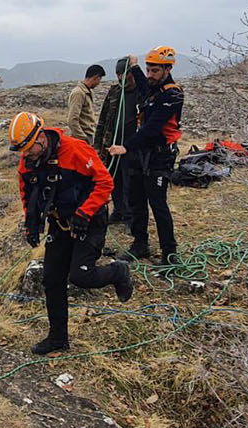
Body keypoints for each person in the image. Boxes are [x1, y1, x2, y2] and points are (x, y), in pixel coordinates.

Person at [11, 111, 133, 355]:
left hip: (89, 220)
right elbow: (28, 191)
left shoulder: (76, 150)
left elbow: (105, 183)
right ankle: (58, 338)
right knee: (52, 279)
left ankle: (118, 271)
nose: (26, 154)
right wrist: (31, 222)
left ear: (41, 138)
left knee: (81, 276)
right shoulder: (29, 162)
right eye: (22, 150)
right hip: (60, 222)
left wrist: (84, 213)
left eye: (29, 148)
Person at [108, 46, 184, 267]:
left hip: (159, 158)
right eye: (148, 70)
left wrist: (126, 147)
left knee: (158, 205)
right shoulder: (151, 87)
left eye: (155, 71)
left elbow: (152, 129)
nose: (150, 75)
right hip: (140, 156)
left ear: (167, 69)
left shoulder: (173, 95)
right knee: (136, 200)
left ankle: (170, 255)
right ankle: (140, 244)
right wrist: (135, 66)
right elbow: (142, 84)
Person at [94, 56, 147, 222]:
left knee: (130, 181)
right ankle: (119, 210)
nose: (120, 78)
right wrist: (97, 144)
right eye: (117, 74)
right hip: (112, 145)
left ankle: (131, 214)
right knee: (113, 178)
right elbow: (103, 118)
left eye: (123, 74)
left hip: (132, 146)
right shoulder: (114, 91)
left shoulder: (142, 92)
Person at [66, 64, 105, 141]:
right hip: (82, 137)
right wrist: (83, 138)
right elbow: (72, 119)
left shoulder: (88, 92)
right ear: (95, 77)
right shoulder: (78, 93)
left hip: (88, 135)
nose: (99, 83)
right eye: (99, 80)